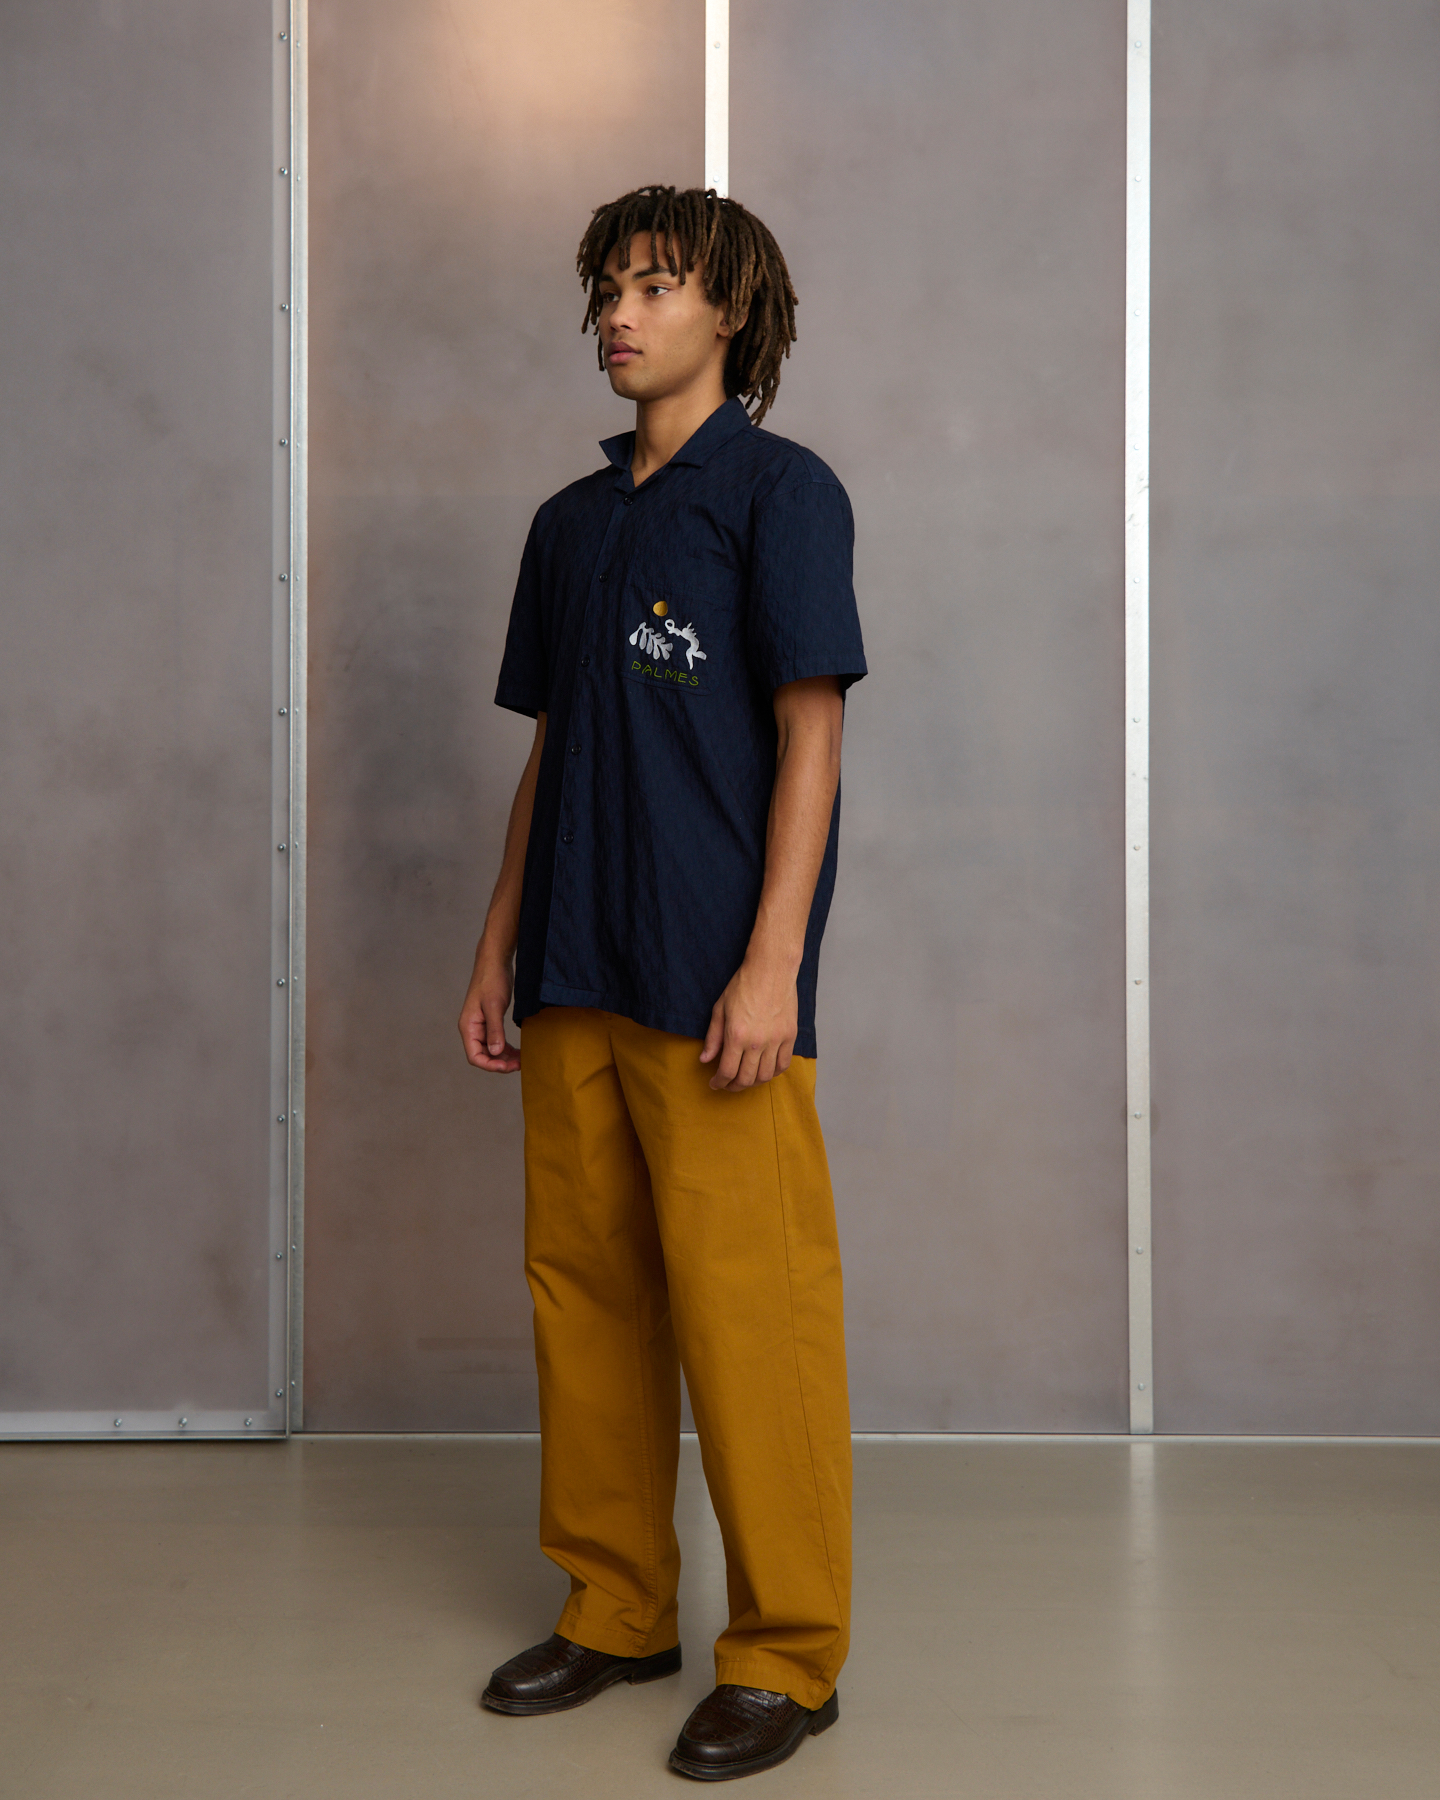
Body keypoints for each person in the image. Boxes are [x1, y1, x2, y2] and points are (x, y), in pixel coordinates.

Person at [458, 184, 866, 1783]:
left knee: (754, 1317)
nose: (619, 315)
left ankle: (787, 1656)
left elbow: (812, 736)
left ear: (730, 314)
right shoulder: (569, 526)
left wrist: (774, 963)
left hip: (712, 987)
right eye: (608, 289)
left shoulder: (782, 494)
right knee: (589, 1300)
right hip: (573, 967)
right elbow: (556, 743)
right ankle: (617, 1607)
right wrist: (499, 940)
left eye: (654, 286)